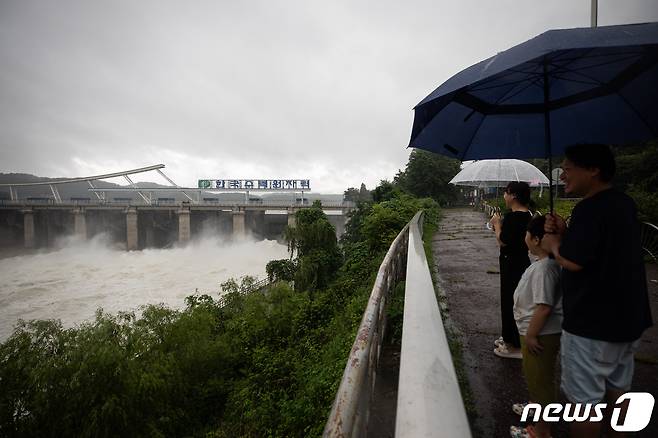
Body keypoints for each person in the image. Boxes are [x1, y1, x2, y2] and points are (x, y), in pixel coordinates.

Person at [542, 144, 653, 438]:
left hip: (592, 323)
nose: (562, 175)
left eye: (568, 168)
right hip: (628, 319)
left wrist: (553, 244)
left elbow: (574, 260)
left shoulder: (590, 208)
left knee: (585, 404)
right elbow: (601, 251)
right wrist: (567, 232)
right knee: (620, 392)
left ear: (593, 170)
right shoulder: (623, 203)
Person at [509, 215, 562, 438]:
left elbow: (544, 307)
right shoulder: (543, 265)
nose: (526, 238)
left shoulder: (544, 269)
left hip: (539, 333)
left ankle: (542, 432)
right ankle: (535, 408)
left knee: (541, 382)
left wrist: (531, 335)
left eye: (527, 235)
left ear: (537, 239)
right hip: (535, 331)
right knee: (535, 377)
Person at [490, 182, 532, 359]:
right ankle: (509, 337)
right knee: (515, 300)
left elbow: (503, 241)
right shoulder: (527, 215)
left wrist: (497, 224)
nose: (505, 196)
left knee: (510, 301)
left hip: (511, 263)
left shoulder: (514, 218)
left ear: (514, 195)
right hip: (520, 261)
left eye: (506, 193)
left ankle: (515, 346)